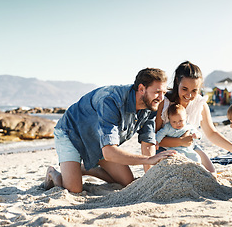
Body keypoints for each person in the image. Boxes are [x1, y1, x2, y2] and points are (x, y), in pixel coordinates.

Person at [44, 68, 176, 193]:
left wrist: (150, 179)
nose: (161, 97)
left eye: (164, 93)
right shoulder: (111, 100)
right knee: (74, 190)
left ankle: (85, 168)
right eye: (157, 92)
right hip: (71, 133)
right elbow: (109, 152)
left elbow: (148, 143)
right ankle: (53, 173)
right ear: (142, 88)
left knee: (128, 182)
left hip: (99, 140)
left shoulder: (150, 105)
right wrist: (148, 160)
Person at [156, 61, 232, 174]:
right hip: (166, 148)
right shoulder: (165, 103)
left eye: (194, 90)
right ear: (177, 81)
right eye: (185, 89)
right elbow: (156, 139)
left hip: (190, 147)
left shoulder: (200, 104)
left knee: (211, 174)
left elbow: (211, 133)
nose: (189, 95)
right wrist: (181, 141)